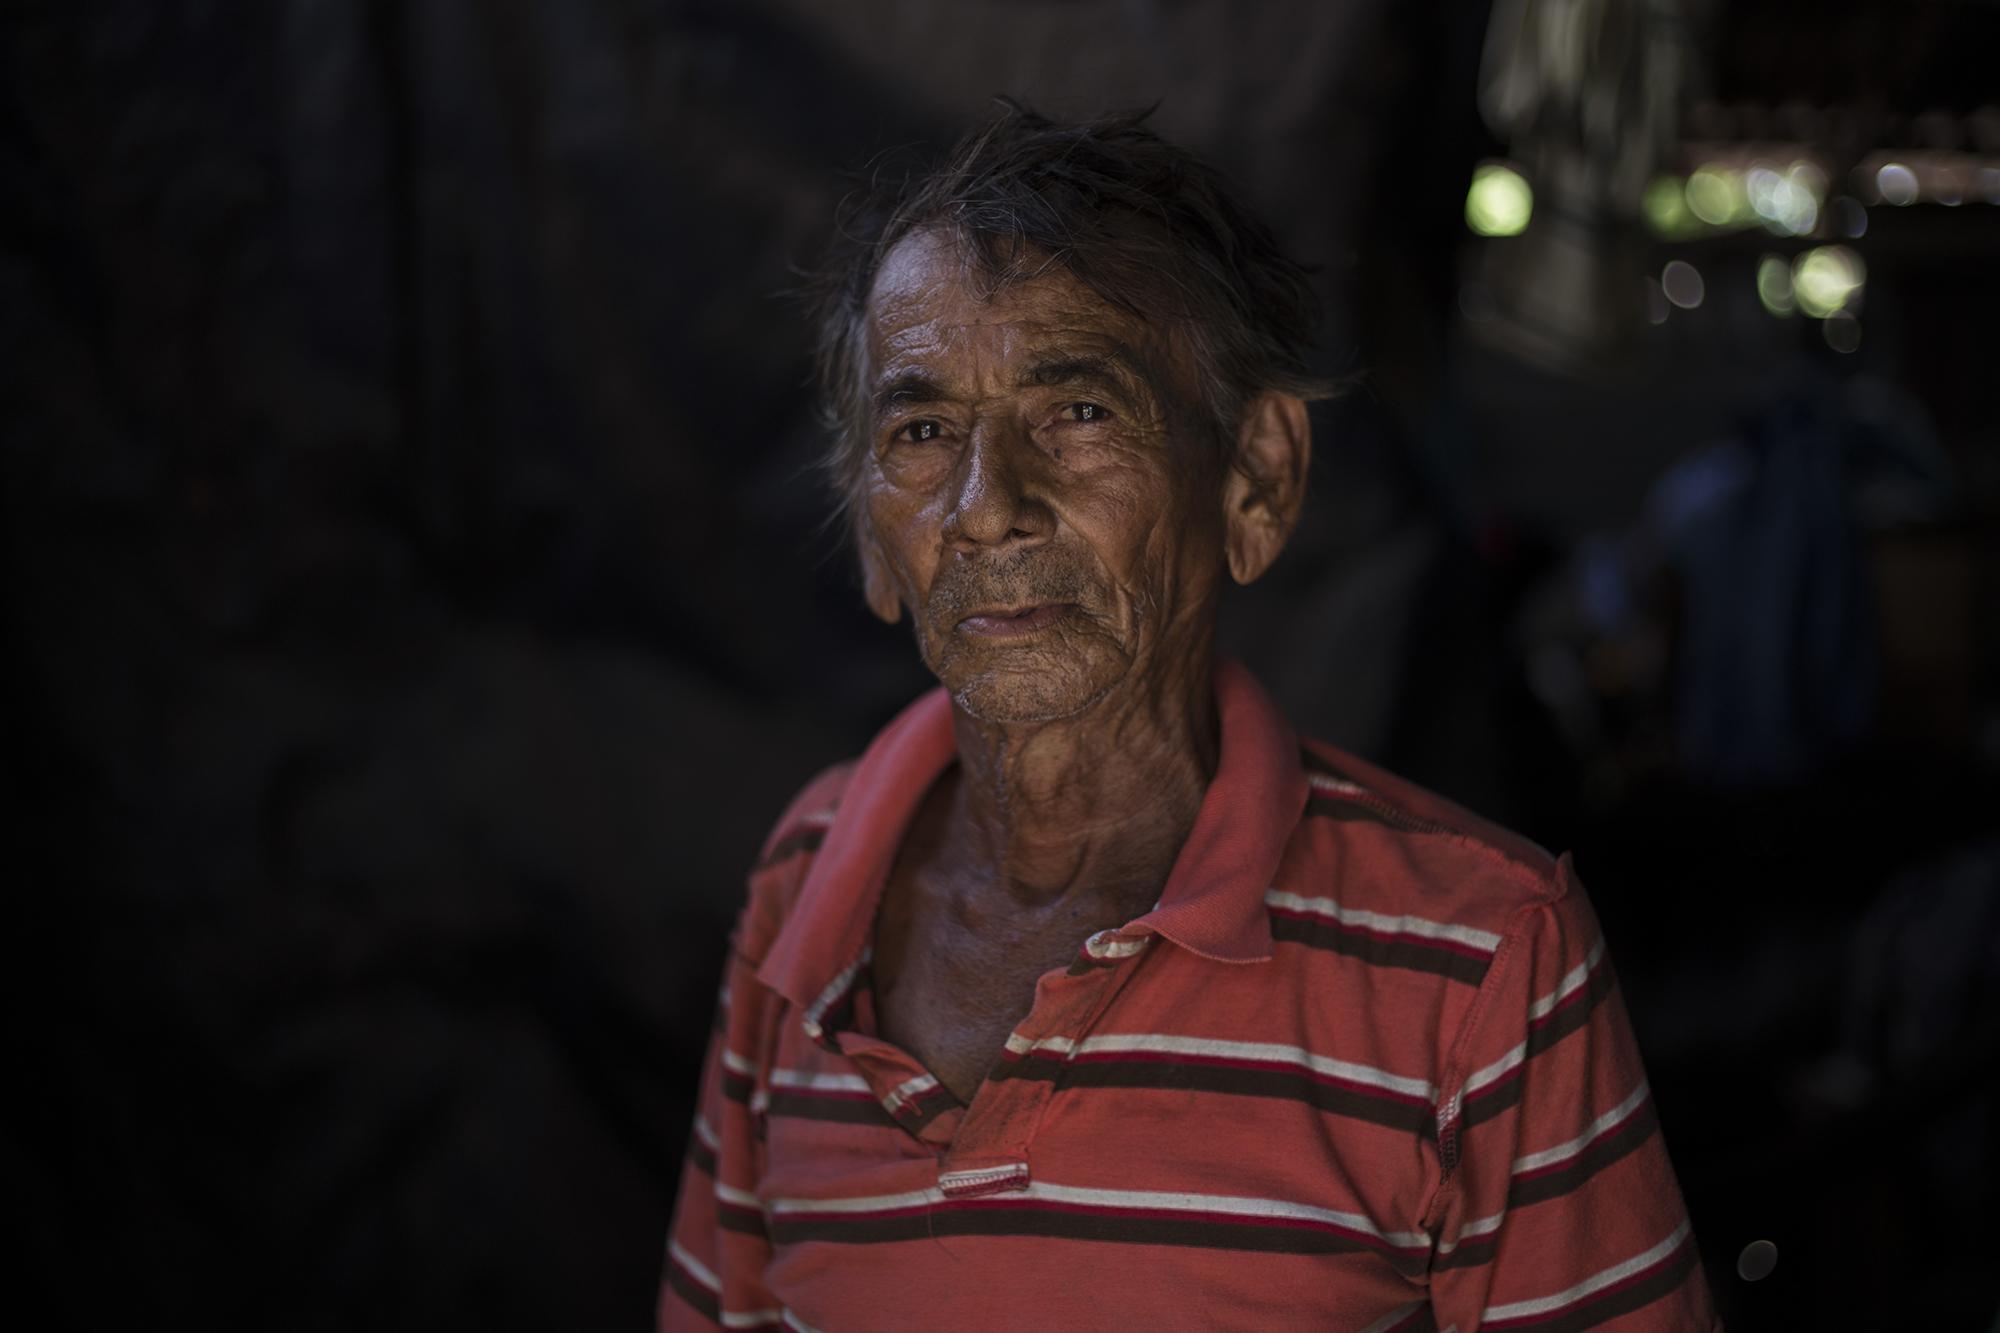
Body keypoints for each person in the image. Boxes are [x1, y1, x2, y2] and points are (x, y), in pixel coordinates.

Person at [660, 101, 1718, 1332]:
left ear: (1255, 478)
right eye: (923, 430)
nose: (986, 506)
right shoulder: (805, 888)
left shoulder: (1479, 956)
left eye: (1078, 412)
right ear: (869, 536)